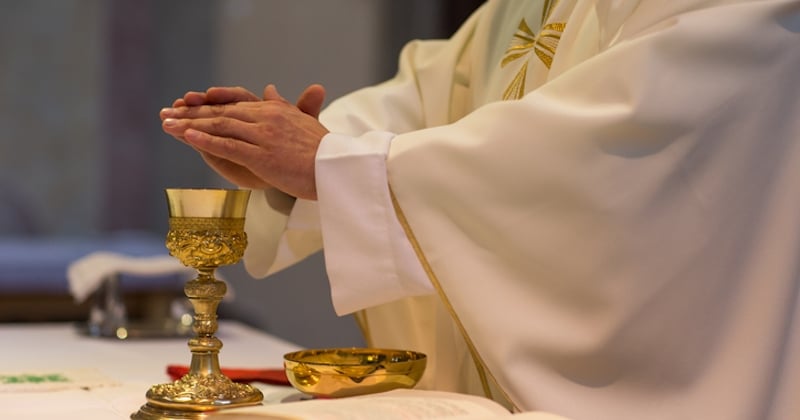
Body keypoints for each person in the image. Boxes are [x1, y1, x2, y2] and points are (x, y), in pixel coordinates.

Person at [159, 0, 800, 419]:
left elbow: (625, 149)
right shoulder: (522, 9)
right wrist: (302, 158)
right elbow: (424, 95)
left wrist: (334, 164)